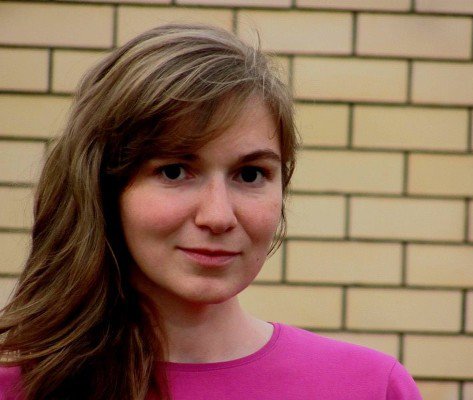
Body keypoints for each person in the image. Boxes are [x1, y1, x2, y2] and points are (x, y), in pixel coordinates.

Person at [0, 24, 421, 400]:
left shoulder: (369, 387)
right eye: (174, 171)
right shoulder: (19, 387)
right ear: (103, 186)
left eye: (250, 174)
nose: (218, 217)